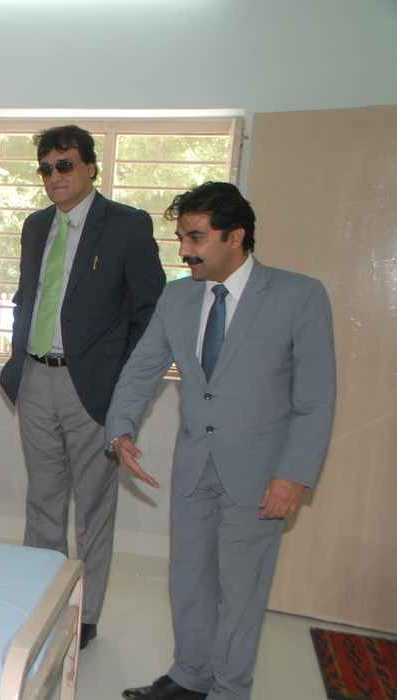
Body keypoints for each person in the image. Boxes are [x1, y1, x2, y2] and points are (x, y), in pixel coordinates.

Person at [108, 182, 336, 700]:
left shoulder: (299, 296)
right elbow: (142, 369)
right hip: (195, 466)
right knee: (188, 579)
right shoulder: (177, 297)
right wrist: (120, 429)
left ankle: (230, 689)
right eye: (181, 238)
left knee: (241, 591)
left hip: (261, 476)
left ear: (236, 236)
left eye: (196, 237)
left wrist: (293, 475)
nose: (184, 250)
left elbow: (315, 400)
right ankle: (191, 677)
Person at [0, 125, 166, 650]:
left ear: (91, 167)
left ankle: (83, 614)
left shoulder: (127, 225)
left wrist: (124, 385)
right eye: (46, 168)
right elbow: (28, 298)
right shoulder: (35, 226)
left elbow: (150, 313)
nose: (55, 176)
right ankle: (39, 603)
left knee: (94, 508)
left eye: (65, 165)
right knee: (43, 501)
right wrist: (15, 363)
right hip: (35, 379)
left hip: (91, 387)